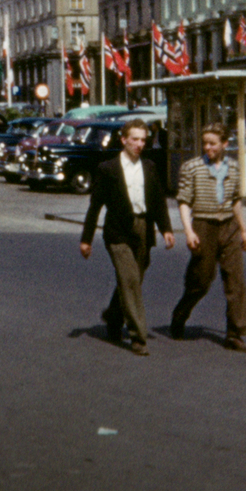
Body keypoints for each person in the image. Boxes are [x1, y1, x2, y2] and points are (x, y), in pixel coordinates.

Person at [80, 119, 175, 356]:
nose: (139, 144)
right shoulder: (108, 168)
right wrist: (86, 239)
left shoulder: (150, 167)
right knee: (130, 280)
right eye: (135, 139)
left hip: (143, 228)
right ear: (124, 140)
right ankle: (138, 337)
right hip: (118, 232)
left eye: (143, 140)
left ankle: (114, 316)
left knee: (133, 279)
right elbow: (95, 207)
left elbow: (158, 201)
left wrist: (166, 229)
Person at [170, 122, 246, 353]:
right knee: (201, 280)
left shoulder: (234, 168)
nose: (208, 147)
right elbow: (184, 201)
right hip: (203, 225)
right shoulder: (192, 167)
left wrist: (244, 229)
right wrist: (189, 231)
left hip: (229, 226)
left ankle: (235, 334)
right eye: (205, 143)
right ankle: (180, 314)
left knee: (235, 280)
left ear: (225, 144)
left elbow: (236, 200)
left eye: (213, 143)